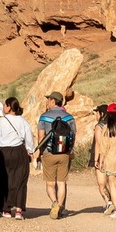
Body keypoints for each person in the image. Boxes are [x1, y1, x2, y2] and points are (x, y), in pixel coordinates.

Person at [0, 97, 35, 219]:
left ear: (9, 107)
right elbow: (29, 139)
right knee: (20, 180)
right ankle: (19, 210)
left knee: (5, 180)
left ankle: (7, 209)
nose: (3, 108)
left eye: (5, 105)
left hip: (3, 152)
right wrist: (30, 151)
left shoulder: (1, 121)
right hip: (19, 152)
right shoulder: (23, 121)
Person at [34, 91, 76, 219]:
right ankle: (61, 208)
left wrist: (40, 153)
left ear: (53, 101)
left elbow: (41, 137)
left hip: (49, 153)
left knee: (50, 183)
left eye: (48, 100)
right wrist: (69, 151)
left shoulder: (44, 117)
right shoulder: (69, 118)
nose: (47, 102)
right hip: (64, 154)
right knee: (62, 183)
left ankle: (54, 203)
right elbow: (73, 136)